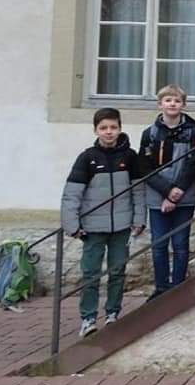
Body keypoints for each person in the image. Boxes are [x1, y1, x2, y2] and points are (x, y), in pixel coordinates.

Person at [60, 108, 146, 338]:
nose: (109, 132)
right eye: (103, 128)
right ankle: (88, 318)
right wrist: (72, 225)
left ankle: (112, 314)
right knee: (91, 273)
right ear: (95, 130)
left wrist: (139, 219)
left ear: (120, 128)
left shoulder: (130, 157)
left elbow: (138, 191)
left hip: (122, 226)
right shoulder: (87, 158)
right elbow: (72, 194)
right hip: (92, 229)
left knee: (117, 271)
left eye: (113, 127)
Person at [138, 85, 195, 300]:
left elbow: (193, 164)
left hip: (185, 196)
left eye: (176, 100)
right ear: (160, 104)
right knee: (159, 244)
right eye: (168, 100)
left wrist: (177, 191)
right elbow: (145, 167)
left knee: (181, 244)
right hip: (157, 196)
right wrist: (166, 192)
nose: (172, 104)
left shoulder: (193, 133)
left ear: (183, 104)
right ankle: (161, 288)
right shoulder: (150, 134)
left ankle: (178, 288)